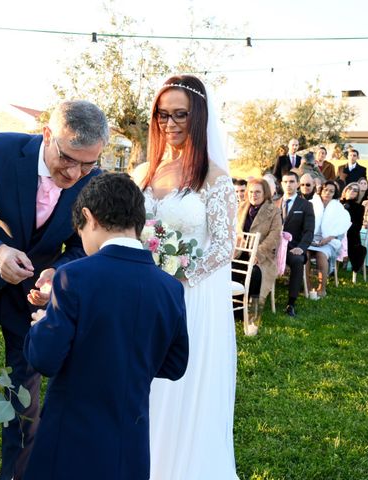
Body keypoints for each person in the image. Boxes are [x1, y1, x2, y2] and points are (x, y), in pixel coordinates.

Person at [0, 100, 108, 480]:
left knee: (24, 399)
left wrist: (57, 273)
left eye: (87, 164)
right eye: (67, 158)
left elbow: (84, 246)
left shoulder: (91, 180)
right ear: (47, 135)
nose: (75, 172)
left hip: (34, 298)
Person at [23, 173, 188, 480]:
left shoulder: (73, 276)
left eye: (80, 230)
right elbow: (175, 364)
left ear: (89, 217)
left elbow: (44, 359)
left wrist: (45, 323)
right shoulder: (170, 287)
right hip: (131, 442)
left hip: (71, 441)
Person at [132, 75, 238, 479]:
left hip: (190, 295)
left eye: (180, 115)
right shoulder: (144, 171)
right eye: (162, 114)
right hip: (143, 291)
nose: (170, 123)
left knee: (179, 382)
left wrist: (176, 275)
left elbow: (223, 246)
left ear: (198, 118)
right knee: (144, 381)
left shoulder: (214, 177)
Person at [234, 178, 282, 335]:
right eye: (251, 191)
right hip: (240, 253)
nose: (254, 195)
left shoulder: (273, 210)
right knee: (230, 270)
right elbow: (235, 231)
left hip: (262, 257)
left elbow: (275, 236)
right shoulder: (241, 207)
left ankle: (254, 317)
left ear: (265, 193)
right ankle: (235, 311)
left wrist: (257, 253)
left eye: (258, 192)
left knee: (255, 274)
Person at [279, 171, 315, 316]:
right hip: (274, 248)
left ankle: (291, 303)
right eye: (285, 182)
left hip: (293, 248)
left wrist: (301, 248)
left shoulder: (305, 205)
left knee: (298, 261)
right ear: (281, 184)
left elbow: (309, 231)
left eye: (292, 181)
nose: (288, 185)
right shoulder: (274, 203)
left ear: (297, 184)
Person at [307, 181, 351, 297]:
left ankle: (322, 288)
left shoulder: (338, 208)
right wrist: (308, 237)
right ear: (321, 190)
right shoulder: (311, 204)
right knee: (305, 254)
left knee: (321, 254)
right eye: (325, 190)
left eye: (331, 191)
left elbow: (342, 228)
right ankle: (308, 285)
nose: (327, 193)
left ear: (334, 193)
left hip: (329, 239)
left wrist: (328, 238)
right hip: (310, 238)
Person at [340, 182, 366, 272]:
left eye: (355, 190)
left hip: (351, 235)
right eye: (350, 188)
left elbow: (357, 226)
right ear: (346, 190)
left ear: (358, 194)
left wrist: (344, 230)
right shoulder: (336, 204)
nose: (352, 191)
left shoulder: (360, 208)